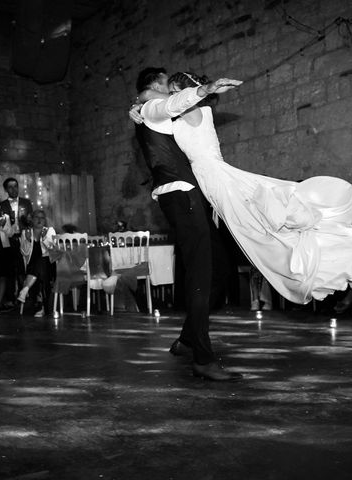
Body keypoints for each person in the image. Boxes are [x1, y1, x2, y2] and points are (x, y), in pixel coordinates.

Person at [131, 71, 352, 306]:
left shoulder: (193, 110)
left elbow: (169, 100)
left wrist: (145, 99)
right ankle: (342, 268)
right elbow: (162, 106)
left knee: (265, 238)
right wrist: (138, 107)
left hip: (222, 183)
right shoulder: (184, 114)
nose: (173, 95)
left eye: (175, 90)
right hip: (213, 189)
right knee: (268, 237)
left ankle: (349, 263)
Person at [133, 67, 241, 381]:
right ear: (154, 85)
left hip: (188, 195)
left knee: (218, 268)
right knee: (201, 272)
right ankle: (203, 360)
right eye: (167, 83)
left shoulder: (150, 108)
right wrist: (205, 89)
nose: (172, 88)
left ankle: (187, 339)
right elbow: (169, 104)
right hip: (181, 194)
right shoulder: (153, 106)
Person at [0, 177, 33, 307]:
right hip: (9, 239)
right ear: (6, 189)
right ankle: (10, 297)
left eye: (15, 186)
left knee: (24, 268)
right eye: (10, 187)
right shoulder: (2, 205)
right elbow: (1, 224)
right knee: (11, 269)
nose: (14, 189)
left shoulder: (26, 202)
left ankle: (24, 295)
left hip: (24, 237)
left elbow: (31, 220)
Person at [17, 210, 57, 317]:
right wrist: (28, 240)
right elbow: (24, 252)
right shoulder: (26, 233)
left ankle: (25, 289)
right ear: (32, 219)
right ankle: (44, 308)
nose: (39, 220)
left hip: (49, 265)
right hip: (32, 268)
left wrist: (44, 238)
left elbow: (52, 249)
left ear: (45, 220)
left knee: (41, 261)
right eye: (36, 217)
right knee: (38, 265)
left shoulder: (50, 231)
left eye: (42, 218)